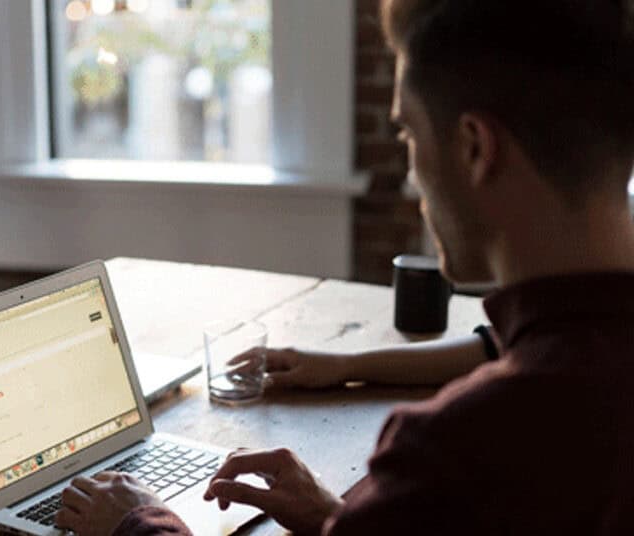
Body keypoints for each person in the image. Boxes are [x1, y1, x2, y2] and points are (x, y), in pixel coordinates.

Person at [55, 0, 634, 534]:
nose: (412, 179)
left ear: (475, 149)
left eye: (407, 132)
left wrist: (139, 523)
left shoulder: (462, 448)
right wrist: (344, 520)